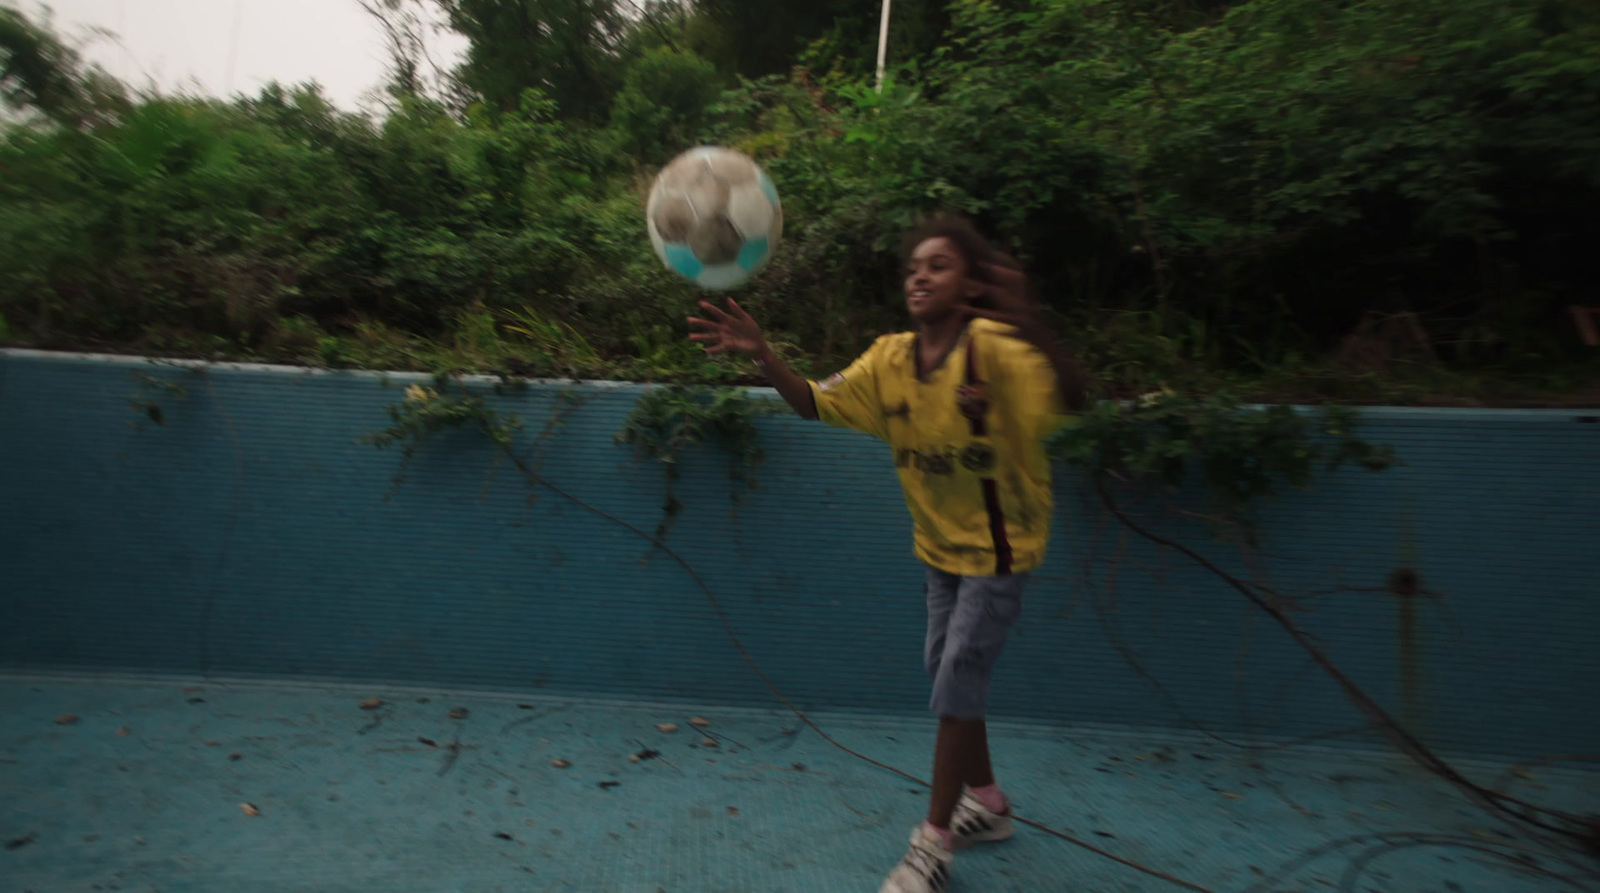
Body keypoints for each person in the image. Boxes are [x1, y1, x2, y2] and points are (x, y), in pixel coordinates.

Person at [687, 214, 1088, 893]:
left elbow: (1071, 398)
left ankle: (930, 847)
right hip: (939, 550)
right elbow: (815, 402)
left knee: (958, 674)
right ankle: (986, 801)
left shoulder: (995, 350)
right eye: (913, 267)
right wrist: (763, 354)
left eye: (939, 264)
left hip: (998, 551)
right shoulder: (890, 360)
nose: (921, 275)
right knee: (945, 668)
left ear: (969, 286)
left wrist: (1028, 320)